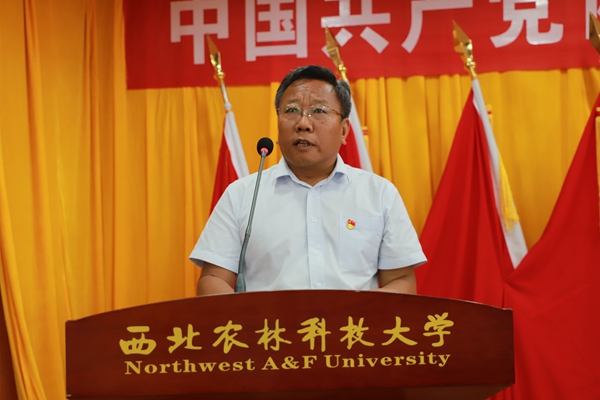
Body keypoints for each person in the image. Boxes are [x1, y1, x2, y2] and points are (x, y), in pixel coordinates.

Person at [190, 65, 426, 295]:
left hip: (351, 322)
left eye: (319, 111)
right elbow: (213, 279)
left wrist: (360, 313)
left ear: (344, 130)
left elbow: (401, 280)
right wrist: (248, 317)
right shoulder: (242, 195)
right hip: (268, 323)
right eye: (291, 110)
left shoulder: (379, 194)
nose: (303, 124)